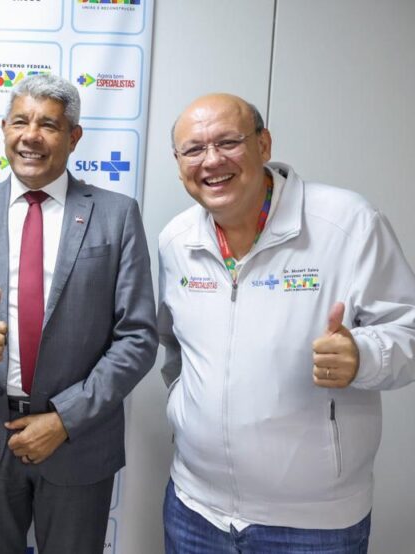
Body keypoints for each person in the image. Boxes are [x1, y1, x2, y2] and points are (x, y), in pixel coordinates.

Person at [158, 93, 415, 553]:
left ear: (263, 144)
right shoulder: (176, 241)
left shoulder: (347, 223)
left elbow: (408, 329)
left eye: (228, 142)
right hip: (194, 508)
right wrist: (185, 406)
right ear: (179, 164)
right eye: (193, 149)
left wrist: (364, 355)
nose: (211, 161)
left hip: (314, 525)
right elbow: (174, 348)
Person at [0, 73, 158, 553]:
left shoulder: (116, 215)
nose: (31, 136)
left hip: (78, 440)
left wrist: (65, 419)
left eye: (48, 124)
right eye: (20, 122)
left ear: (74, 136)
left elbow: (137, 337)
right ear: (4, 130)